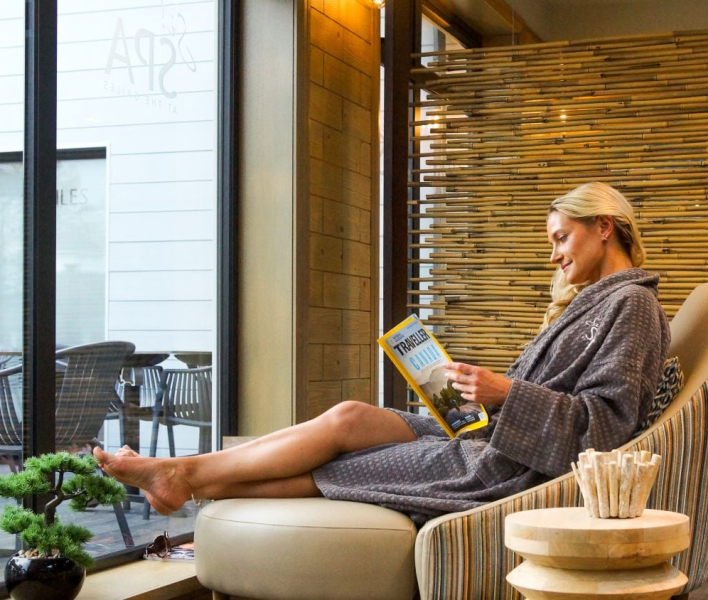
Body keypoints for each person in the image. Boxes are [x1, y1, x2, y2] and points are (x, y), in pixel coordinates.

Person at [95, 182, 670, 525]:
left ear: (603, 227)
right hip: (492, 435)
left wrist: (504, 392)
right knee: (350, 416)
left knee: (338, 467)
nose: (553, 256)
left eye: (560, 238)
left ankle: (184, 477)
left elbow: (607, 430)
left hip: (511, 467)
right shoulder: (594, 303)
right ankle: (186, 473)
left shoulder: (633, 306)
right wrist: (469, 394)